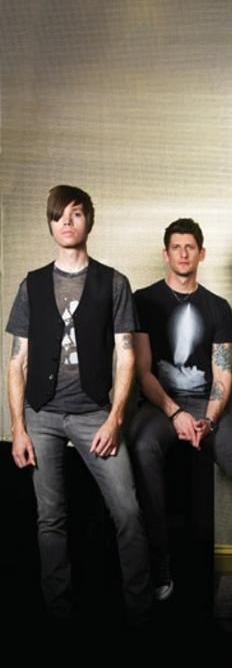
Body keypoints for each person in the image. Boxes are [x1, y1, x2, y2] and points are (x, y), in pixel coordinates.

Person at [6, 185, 152, 625]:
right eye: (59, 216)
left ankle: (140, 610)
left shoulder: (114, 282)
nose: (67, 223)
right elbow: (17, 361)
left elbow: (126, 355)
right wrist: (18, 427)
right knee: (50, 518)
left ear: (89, 220)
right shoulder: (32, 284)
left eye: (75, 214)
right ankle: (59, 613)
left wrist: (115, 418)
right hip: (42, 415)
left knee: (127, 511)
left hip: (94, 414)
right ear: (50, 225)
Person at [128, 218, 232, 604]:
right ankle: (159, 561)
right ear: (166, 254)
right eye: (176, 247)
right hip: (159, 405)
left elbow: (222, 373)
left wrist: (208, 419)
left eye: (190, 247)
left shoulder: (217, 307)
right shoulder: (143, 300)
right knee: (142, 449)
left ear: (201, 253)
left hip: (206, 407)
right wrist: (175, 413)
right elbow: (143, 372)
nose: (183, 254)